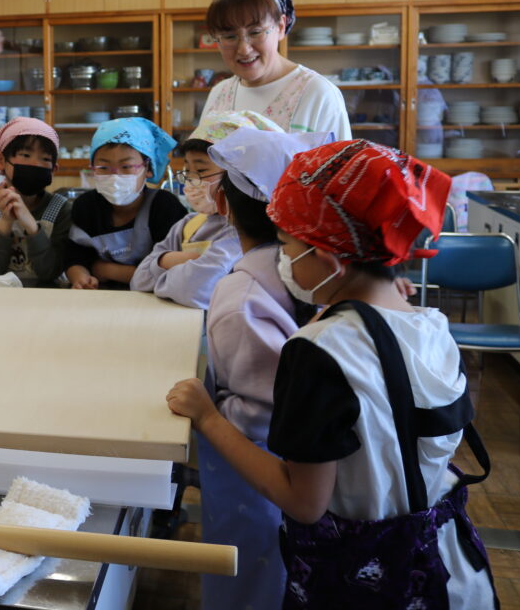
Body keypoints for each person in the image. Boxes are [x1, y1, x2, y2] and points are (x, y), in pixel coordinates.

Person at [167, 140, 497, 609]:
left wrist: (208, 417)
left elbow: (303, 502)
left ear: (330, 259)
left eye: (286, 245)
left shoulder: (317, 351)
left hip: (363, 577)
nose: (282, 259)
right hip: (445, 561)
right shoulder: (431, 324)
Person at [187, 126, 327, 610]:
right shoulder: (309, 268)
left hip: (254, 465)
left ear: (223, 203)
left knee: (247, 574)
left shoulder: (242, 292)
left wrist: (205, 413)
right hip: (307, 468)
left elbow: (255, 412)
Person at [131, 110, 283, 309]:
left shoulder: (244, 231)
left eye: (201, 171)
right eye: (188, 171)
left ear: (239, 173)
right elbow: (138, 280)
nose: (193, 180)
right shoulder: (189, 224)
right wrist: (179, 260)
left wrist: (162, 267)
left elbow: (196, 290)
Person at [199, 0, 352, 140]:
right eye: (229, 36)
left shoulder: (318, 93)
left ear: (280, 27)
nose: (244, 49)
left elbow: (341, 164)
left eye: (255, 32)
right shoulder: (219, 94)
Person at [64, 118, 186, 290]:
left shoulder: (164, 207)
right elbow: (74, 257)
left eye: (126, 166)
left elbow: (169, 272)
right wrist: (81, 277)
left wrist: (106, 270)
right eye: (104, 168)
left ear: (148, 168)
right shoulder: (86, 207)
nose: (115, 176)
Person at [0, 118, 72, 287]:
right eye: (25, 155)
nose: (35, 164)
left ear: (53, 170)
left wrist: (30, 223)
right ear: (0, 160)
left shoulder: (62, 208)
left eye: (45, 159)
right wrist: (6, 221)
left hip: (48, 299)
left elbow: (49, 272)